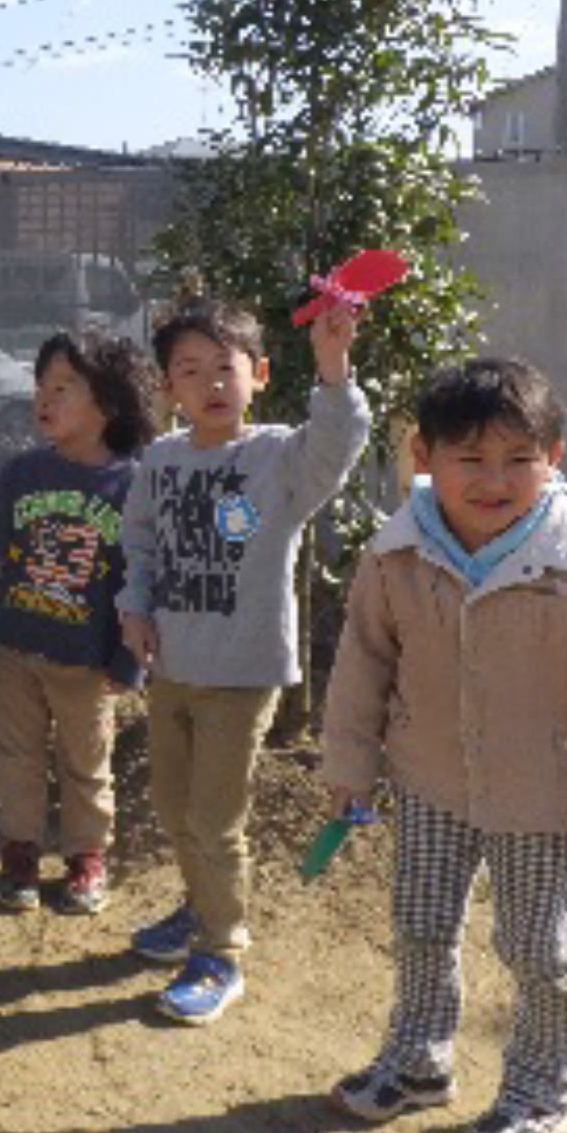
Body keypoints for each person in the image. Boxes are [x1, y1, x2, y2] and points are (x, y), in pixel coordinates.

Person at [319, 358, 567, 1133]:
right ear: (424, 457)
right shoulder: (395, 557)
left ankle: (541, 1088)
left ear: (556, 459)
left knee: (538, 947)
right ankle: (418, 1060)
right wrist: (351, 765)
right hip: (430, 780)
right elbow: (362, 667)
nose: (494, 479)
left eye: (519, 458)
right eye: (470, 459)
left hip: (542, 798)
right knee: (421, 924)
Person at [117, 295, 367, 1023]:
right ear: (169, 388)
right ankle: (198, 907)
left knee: (213, 817)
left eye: (225, 368)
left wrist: (332, 363)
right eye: (189, 370)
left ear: (257, 374)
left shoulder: (277, 459)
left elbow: (338, 442)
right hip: (172, 671)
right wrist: (133, 606)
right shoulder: (159, 461)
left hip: (243, 674)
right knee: (172, 805)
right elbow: (139, 546)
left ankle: (221, 952)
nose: (210, 383)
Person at [0, 329, 157, 915]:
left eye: (63, 388)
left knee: (85, 762)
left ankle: (85, 857)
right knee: (16, 754)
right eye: (40, 386)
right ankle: (19, 852)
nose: (43, 400)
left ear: (110, 402)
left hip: (86, 662)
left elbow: (141, 580)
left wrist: (130, 660)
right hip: (14, 648)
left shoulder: (133, 485)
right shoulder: (24, 472)